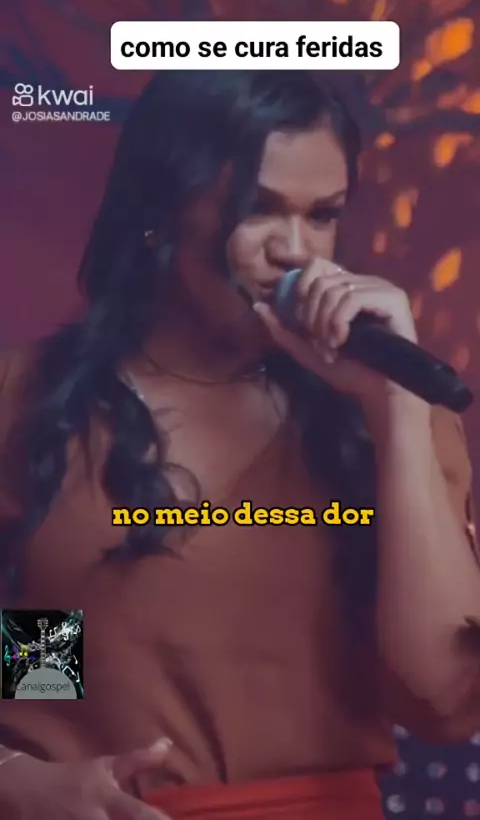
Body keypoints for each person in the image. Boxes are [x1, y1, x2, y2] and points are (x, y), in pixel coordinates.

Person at [0, 70, 479, 820]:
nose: (295, 250)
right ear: (160, 213)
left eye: (322, 216)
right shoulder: (32, 402)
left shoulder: (386, 420)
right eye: (256, 208)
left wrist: (396, 414)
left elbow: (442, 706)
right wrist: (16, 780)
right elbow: (41, 663)